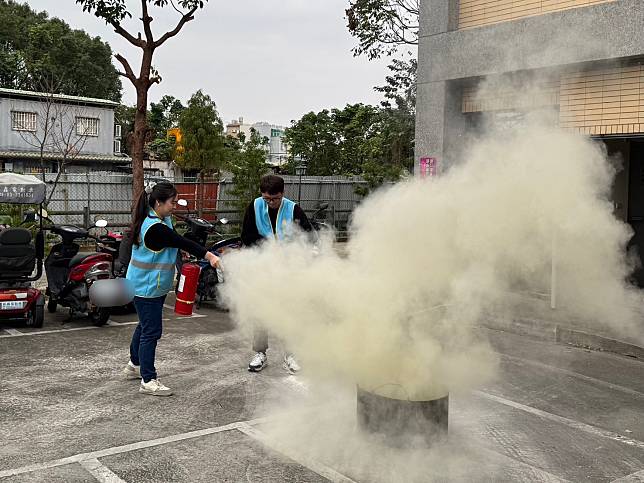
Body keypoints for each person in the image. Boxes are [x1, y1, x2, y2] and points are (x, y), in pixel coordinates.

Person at [123, 182, 220, 396]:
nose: (174, 206)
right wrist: (210, 256)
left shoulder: (155, 217)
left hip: (146, 284)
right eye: (172, 202)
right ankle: (148, 380)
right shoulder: (155, 228)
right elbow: (181, 242)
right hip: (146, 287)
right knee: (151, 331)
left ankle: (133, 366)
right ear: (158, 202)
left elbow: (176, 233)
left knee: (144, 326)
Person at [241, 174, 312, 374]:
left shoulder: (293, 209)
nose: (271, 203)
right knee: (261, 312)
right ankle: (260, 353)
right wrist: (267, 249)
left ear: (282, 193)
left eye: (275, 198)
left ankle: (291, 354)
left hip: (289, 270)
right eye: (267, 199)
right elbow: (246, 237)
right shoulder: (255, 207)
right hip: (263, 268)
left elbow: (308, 237)